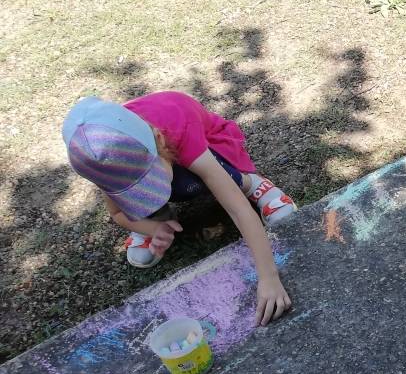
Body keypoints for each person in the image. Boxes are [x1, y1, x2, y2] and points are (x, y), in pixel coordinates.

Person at [62, 92, 295, 325]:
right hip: (165, 157)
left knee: (195, 182)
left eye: (148, 181)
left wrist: (268, 277)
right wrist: (152, 227)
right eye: (135, 193)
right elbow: (117, 213)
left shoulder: (179, 129)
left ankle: (253, 184)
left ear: (159, 140)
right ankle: (156, 211)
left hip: (209, 147)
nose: (144, 192)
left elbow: (237, 209)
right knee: (166, 186)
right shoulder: (103, 160)